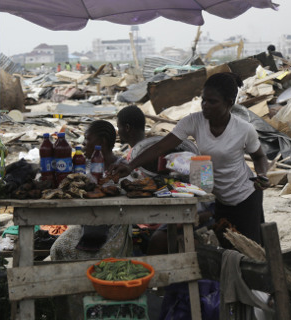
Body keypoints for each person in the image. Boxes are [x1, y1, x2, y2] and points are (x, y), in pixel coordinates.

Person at [110, 72, 270, 247]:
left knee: (251, 251)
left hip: (245, 198)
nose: (205, 106)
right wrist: (130, 165)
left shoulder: (244, 130)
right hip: (220, 200)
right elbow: (160, 147)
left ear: (229, 103)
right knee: (228, 250)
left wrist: (262, 175)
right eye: (203, 100)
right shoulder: (194, 122)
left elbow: (259, 157)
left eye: (212, 101)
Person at [50, 120, 131, 261]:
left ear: (102, 142)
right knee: (58, 248)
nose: (84, 143)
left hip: (113, 228)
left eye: (87, 139)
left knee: (95, 256)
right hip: (86, 225)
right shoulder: (83, 164)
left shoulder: (122, 168)